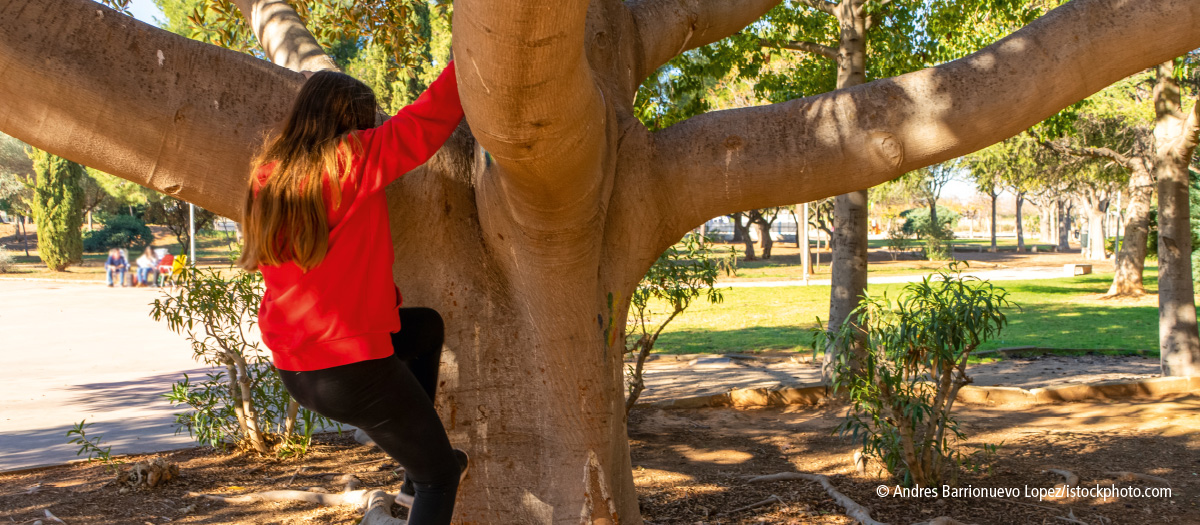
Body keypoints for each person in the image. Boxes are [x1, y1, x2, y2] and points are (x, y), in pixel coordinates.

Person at [237, 62, 465, 524]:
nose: (372, 129)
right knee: (441, 475)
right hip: (352, 371)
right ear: (349, 122)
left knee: (423, 328)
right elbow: (423, 122)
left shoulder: (269, 176)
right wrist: (470, 60)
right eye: (368, 122)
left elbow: (330, 267)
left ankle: (409, 478)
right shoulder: (350, 158)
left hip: (299, 371)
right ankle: (420, 478)